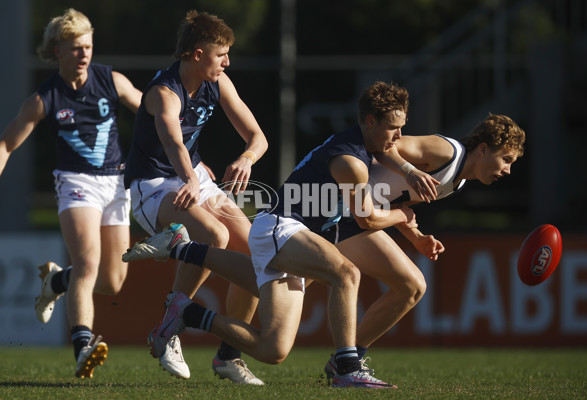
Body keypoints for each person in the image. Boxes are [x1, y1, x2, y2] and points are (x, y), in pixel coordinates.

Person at [124, 81, 431, 389]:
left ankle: (187, 307)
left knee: (273, 350)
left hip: (286, 234)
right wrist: (403, 215)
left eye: (401, 128)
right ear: (370, 122)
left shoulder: (367, 144)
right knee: (346, 273)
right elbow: (366, 219)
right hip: (282, 227)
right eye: (394, 128)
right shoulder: (351, 162)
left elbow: (387, 150)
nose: (399, 137)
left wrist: (408, 170)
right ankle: (347, 367)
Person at [320, 113, 526, 378]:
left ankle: (346, 361)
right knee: (276, 311)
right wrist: (409, 169)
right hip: (335, 208)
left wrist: (416, 237)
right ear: (483, 149)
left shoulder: (458, 181)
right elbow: (382, 146)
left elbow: (391, 201)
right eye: (506, 159)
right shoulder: (447, 152)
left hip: (353, 215)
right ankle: (345, 363)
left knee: (410, 286)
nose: (508, 169)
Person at [123, 10, 268, 384]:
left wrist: (246, 158)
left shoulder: (217, 83)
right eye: (222, 54)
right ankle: (171, 321)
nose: (227, 61)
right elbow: (173, 142)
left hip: (194, 176)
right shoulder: (163, 93)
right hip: (153, 185)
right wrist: (189, 176)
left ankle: (227, 356)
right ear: (198, 53)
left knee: (253, 252)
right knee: (215, 237)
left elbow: (258, 137)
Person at [0, 9, 142, 378]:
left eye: (88, 47)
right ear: (57, 50)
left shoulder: (111, 80)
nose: (84, 54)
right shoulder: (45, 97)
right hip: (76, 183)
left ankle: (55, 282)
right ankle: (83, 348)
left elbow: (155, 112)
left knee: (112, 281)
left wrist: (185, 152)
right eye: (76, 47)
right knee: (88, 262)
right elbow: (7, 143)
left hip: (115, 183)